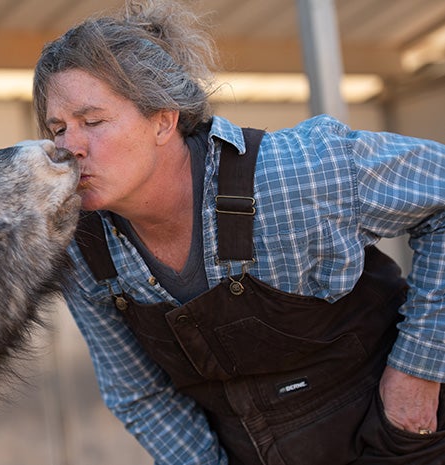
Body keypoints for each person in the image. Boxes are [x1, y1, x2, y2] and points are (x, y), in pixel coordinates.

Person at [32, 0, 445, 463]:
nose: (69, 148)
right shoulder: (82, 248)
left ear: (164, 120)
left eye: (92, 122)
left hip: (406, 440)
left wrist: (418, 372)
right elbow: (140, 394)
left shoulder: (296, 172)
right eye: (58, 129)